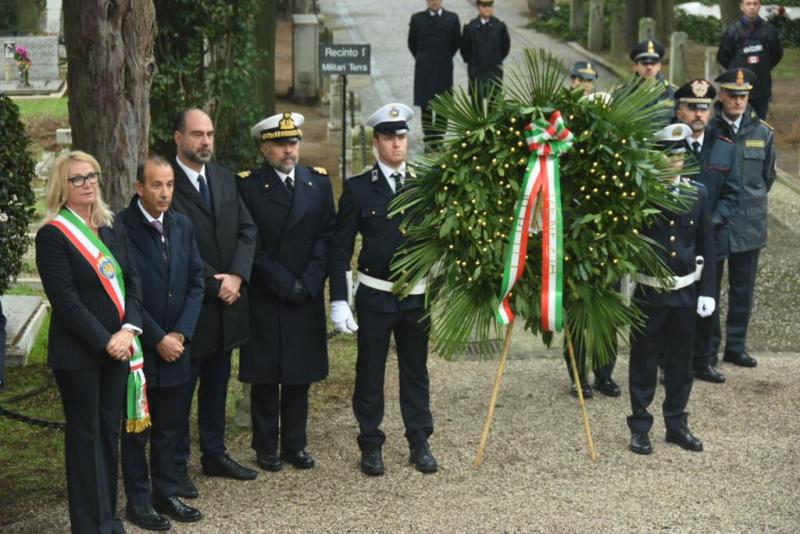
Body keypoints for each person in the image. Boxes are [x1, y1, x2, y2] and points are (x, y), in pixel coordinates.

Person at [35, 151, 143, 533]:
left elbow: (134, 284)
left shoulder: (111, 227)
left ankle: (109, 520)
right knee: (85, 438)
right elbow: (65, 301)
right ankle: (88, 524)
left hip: (118, 348)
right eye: (77, 178)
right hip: (78, 355)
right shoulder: (52, 234)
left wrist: (128, 331)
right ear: (61, 187)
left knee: (108, 433)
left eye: (92, 175)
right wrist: (106, 341)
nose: (87, 183)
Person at [330, 103, 437, 476]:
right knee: (370, 370)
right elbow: (340, 249)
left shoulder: (424, 185)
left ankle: (419, 440)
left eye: (402, 136)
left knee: (415, 370)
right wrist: (340, 299)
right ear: (376, 141)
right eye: (389, 137)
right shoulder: (360, 189)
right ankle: (371, 443)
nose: (396, 144)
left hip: (416, 294)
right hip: (376, 293)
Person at [237, 113, 335, 472]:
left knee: (299, 372)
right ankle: (266, 446)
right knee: (266, 374)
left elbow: (327, 236)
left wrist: (309, 282)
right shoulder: (247, 186)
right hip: (268, 292)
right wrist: (282, 281)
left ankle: (296, 443)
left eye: (293, 142)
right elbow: (250, 243)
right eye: (280, 144)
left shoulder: (318, 183)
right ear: (265, 149)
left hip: (304, 293)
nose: (289, 150)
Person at [170, 109, 258, 495]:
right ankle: (174, 466)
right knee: (180, 393)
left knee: (217, 385)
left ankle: (214, 452)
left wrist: (237, 275)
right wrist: (213, 282)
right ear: (178, 138)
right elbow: (175, 244)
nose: (205, 141)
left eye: (209, 134)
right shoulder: (166, 183)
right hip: (189, 309)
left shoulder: (223, 178)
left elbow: (247, 228)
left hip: (227, 305)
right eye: (196, 134)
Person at [118, 156, 205, 530]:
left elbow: (196, 281)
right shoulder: (120, 228)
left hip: (178, 347)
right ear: (139, 187)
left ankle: (166, 491)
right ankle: (138, 502)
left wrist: (181, 334)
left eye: (169, 185)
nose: (165, 192)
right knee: (138, 430)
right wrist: (158, 338)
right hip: (142, 349)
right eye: (157, 185)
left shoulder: (182, 225)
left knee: (172, 425)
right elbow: (123, 290)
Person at [627, 124, 716, 456]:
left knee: (680, 363)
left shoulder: (698, 193)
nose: (673, 162)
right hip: (649, 292)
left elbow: (708, 242)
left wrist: (707, 291)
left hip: (684, 292)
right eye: (666, 156)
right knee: (644, 361)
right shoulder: (640, 193)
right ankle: (640, 426)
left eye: (678, 156)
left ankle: (676, 424)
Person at [674, 79, 741, 384]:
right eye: (691, 108)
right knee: (674, 304)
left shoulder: (725, 148)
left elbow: (732, 194)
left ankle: (703, 360)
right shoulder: (668, 147)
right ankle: (671, 361)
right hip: (676, 241)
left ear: (711, 112)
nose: (698, 114)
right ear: (679, 111)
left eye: (703, 108)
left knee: (708, 301)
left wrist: (710, 223)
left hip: (712, 240)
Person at [708, 68, 776, 369]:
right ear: (721, 96)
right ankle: (708, 350)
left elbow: (767, 177)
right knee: (709, 290)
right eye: (732, 95)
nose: (738, 101)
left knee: (743, 291)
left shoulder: (763, 132)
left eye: (743, 96)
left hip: (749, 224)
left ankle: (736, 347)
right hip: (716, 222)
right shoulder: (710, 128)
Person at [716, 0, 783, 120]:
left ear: (759, 6)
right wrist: (737, 71)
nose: (752, 7)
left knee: (759, 123)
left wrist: (763, 67)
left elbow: (777, 54)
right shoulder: (732, 31)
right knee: (736, 123)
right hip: (738, 88)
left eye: (755, 3)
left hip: (761, 87)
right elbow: (722, 57)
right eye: (748, 4)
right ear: (742, 7)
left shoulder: (769, 30)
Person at [408, 0, 461, 149]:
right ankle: (430, 139)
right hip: (424, 69)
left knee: (443, 105)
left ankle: (439, 137)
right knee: (426, 106)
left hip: (443, 69)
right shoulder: (417, 19)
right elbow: (412, 43)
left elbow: (456, 43)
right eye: (431, 0)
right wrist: (422, 58)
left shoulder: (452, 19)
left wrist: (444, 57)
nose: (434, 2)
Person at [460, 0, 510, 106]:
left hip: (494, 73)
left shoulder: (499, 26)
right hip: (477, 73)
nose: (487, 8)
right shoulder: (470, 27)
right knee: (477, 110)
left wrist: (496, 59)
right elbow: (465, 50)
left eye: (490, 5)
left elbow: (505, 47)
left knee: (494, 108)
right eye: (484, 6)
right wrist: (473, 63)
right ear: (478, 7)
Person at [628, 38, 676, 116]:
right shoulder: (623, 94)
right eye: (644, 64)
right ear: (635, 66)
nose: (649, 67)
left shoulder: (673, 93)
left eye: (653, 63)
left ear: (659, 66)